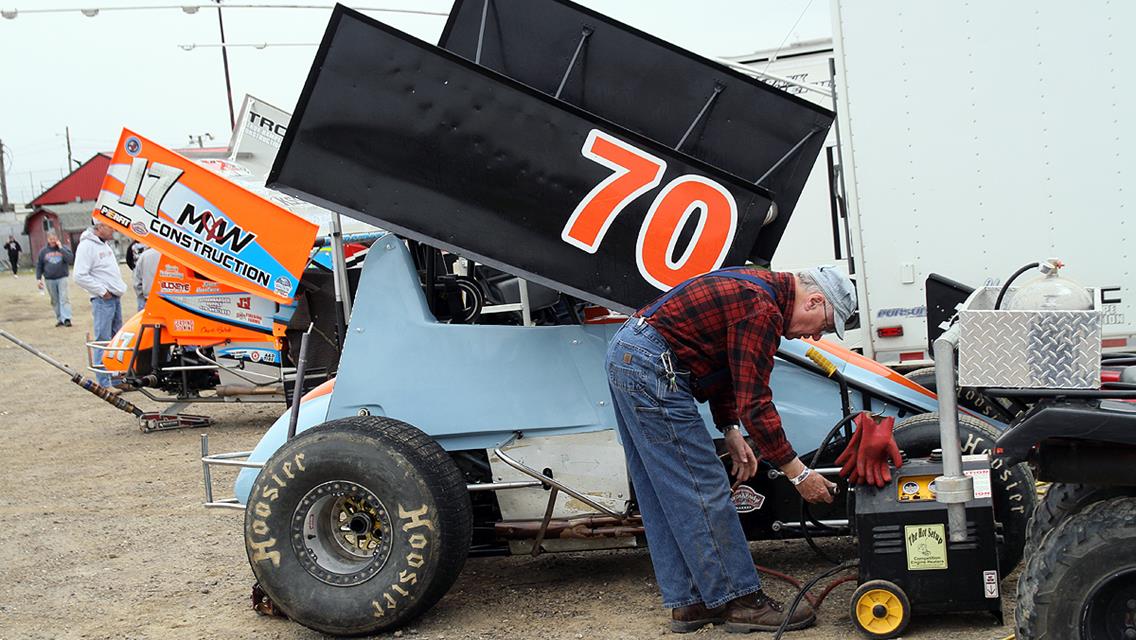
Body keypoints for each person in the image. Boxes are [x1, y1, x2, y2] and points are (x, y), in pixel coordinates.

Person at [605, 264, 856, 633]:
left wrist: (729, 428)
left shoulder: (757, 287)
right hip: (651, 364)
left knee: (663, 492)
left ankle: (691, 602)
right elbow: (756, 402)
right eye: (823, 325)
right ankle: (740, 601)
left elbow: (726, 363)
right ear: (815, 301)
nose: (816, 337)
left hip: (631, 354)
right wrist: (799, 474)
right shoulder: (762, 308)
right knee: (703, 486)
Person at [74, 220, 128, 391]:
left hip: (114, 297)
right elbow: (79, 275)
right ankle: (104, 382)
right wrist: (102, 291)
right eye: (110, 227)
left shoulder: (103, 245)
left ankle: (117, 378)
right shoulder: (87, 246)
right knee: (103, 340)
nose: (113, 230)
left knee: (116, 340)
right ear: (99, 228)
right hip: (103, 299)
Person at [35, 233, 75, 327]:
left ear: (57, 239)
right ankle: (60, 318)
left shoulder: (63, 249)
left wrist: (61, 248)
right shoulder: (43, 251)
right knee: (55, 300)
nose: (53, 241)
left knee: (64, 298)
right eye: (50, 239)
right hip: (49, 279)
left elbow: (70, 260)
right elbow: (39, 265)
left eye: (54, 238)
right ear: (47, 239)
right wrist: (38, 279)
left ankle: (66, 318)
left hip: (62, 277)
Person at [133, 246, 160, 311]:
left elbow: (137, 280)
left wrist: (141, 295)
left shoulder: (145, 255)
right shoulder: (177, 255)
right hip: (172, 302)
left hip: (148, 299)